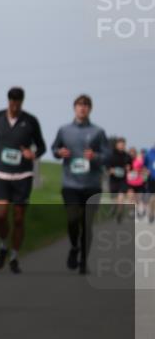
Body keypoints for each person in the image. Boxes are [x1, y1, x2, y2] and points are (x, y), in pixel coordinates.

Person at [0, 87, 46, 274]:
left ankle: (14, 256)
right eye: (12, 101)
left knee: (18, 218)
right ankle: (3, 246)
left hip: (22, 176)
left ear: (22, 102)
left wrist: (32, 153)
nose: (15, 104)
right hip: (0, 174)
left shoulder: (30, 120)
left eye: (18, 101)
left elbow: (41, 146)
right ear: (8, 100)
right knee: (1, 215)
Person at [52, 94, 109, 274]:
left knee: (87, 223)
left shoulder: (98, 132)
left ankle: (84, 260)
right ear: (74, 108)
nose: (82, 108)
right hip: (70, 183)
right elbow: (54, 149)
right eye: (79, 105)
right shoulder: (64, 130)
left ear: (90, 109)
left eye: (86, 105)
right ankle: (74, 246)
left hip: (92, 184)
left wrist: (96, 157)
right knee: (72, 218)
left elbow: (107, 156)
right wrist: (59, 152)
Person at [106, 137, 132, 223]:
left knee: (121, 198)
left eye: (123, 145)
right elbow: (107, 166)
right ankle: (114, 207)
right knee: (114, 199)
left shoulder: (127, 156)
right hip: (113, 180)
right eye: (120, 145)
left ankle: (119, 214)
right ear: (116, 145)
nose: (121, 146)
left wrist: (129, 168)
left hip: (123, 180)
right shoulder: (111, 155)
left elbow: (130, 166)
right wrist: (111, 170)